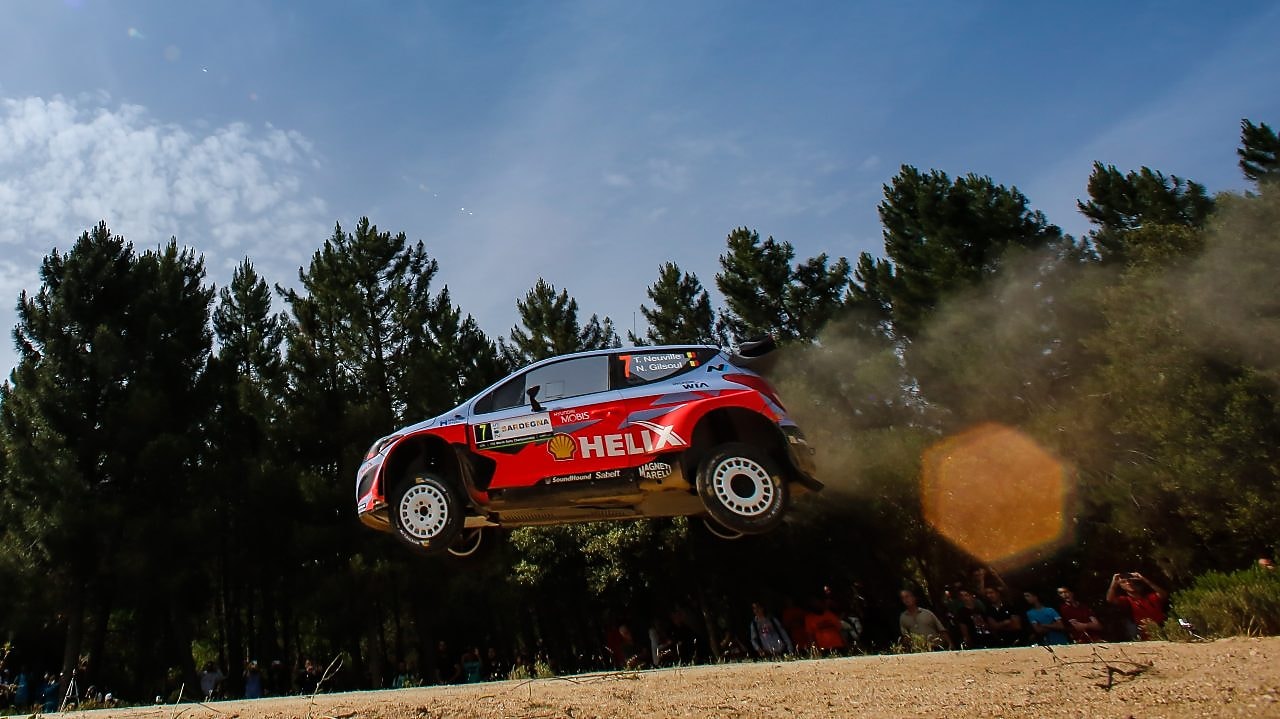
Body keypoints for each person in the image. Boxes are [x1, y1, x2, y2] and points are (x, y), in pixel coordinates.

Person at [1107, 572, 1167, 640]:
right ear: (1121, 587)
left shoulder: (1151, 597)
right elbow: (1110, 599)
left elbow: (1163, 594)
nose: (1128, 583)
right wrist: (1114, 583)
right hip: (1141, 634)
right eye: (1124, 582)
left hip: (1161, 630)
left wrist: (1144, 579)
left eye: (1131, 581)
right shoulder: (1126, 600)